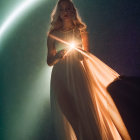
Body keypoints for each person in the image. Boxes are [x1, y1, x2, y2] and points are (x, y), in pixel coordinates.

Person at [46, 0, 131, 139]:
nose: (65, 12)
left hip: (78, 73)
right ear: (58, 13)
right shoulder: (53, 34)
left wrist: (79, 53)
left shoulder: (81, 31)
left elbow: (86, 56)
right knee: (70, 116)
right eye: (62, 9)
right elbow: (49, 61)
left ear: (73, 10)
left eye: (68, 8)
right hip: (60, 76)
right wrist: (58, 56)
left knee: (86, 114)